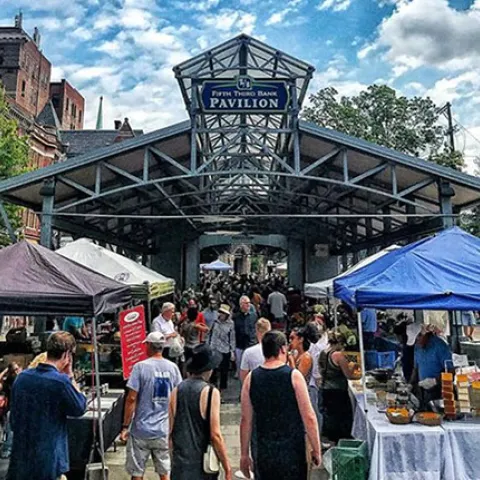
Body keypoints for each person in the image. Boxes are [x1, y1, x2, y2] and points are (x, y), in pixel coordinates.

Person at [240, 331, 321, 480]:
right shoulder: (294, 376)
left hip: (263, 448)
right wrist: (316, 448)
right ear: (283, 349)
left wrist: (244, 454)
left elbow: (246, 420)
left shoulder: (251, 378)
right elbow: (309, 416)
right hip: (292, 449)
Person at [7, 331, 87, 480]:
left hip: (20, 459)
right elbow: (80, 407)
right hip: (48, 460)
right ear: (67, 355)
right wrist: (70, 375)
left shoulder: (22, 378)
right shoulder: (61, 382)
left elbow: (13, 418)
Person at [120, 332, 182, 480]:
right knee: (165, 472)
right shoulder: (173, 368)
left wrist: (125, 426)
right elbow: (177, 397)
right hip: (164, 429)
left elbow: (131, 398)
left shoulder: (140, 368)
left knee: (137, 472)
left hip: (141, 429)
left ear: (148, 345)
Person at [169, 344, 232, 480]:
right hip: (202, 465)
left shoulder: (176, 390)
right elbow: (215, 435)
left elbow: (170, 432)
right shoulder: (211, 392)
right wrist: (227, 466)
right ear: (208, 369)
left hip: (180, 464)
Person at [319, 331, 360, 444]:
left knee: (330, 417)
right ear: (340, 342)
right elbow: (349, 375)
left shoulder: (324, 352)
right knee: (341, 419)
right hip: (338, 391)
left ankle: (330, 439)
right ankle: (340, 441)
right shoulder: (338, 355)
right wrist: (356, 369)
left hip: (325, 388)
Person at [410, 325, 453, 408]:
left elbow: (451, 371)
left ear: (423, 335)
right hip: (422, 390)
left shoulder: (440, 346)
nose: (417, 343)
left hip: (439, 391)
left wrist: (435, 381)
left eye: (417, 340)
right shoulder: (417, 347)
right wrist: (410, 384)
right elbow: (416, 368)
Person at [208, 304, 236, 393]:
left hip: (225, 349)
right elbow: (210, 335)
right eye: (220, 313)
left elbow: (232, 338)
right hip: (214, 348)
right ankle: (214, 388)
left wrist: (232, 351)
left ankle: (222, 391)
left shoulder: (230, 323)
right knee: (214, 370)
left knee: (224, 371)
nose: (221, 315)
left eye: (223, 313)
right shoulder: (215, 322)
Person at [0, 363, 22, 458]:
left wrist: (5, 371)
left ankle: (7, 449)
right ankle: (7, 450)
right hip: (15, 408)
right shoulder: (17, 380)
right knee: (11, 430)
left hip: (9, 408)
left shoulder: (8, 380)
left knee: (8, 430)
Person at [240, 318, 271, 383]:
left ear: (256, 331)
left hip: (255, 386)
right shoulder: (278, 350)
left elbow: (243, 376)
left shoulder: (248, 352)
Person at [233, 296, 257, 379]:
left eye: (249, 302)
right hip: (239, 344)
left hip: (251, 343)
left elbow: (255, 328)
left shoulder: (254, 315)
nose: (249, 305)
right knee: (240, 364)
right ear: (241, 305)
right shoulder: (235, 317)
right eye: (246, 303)